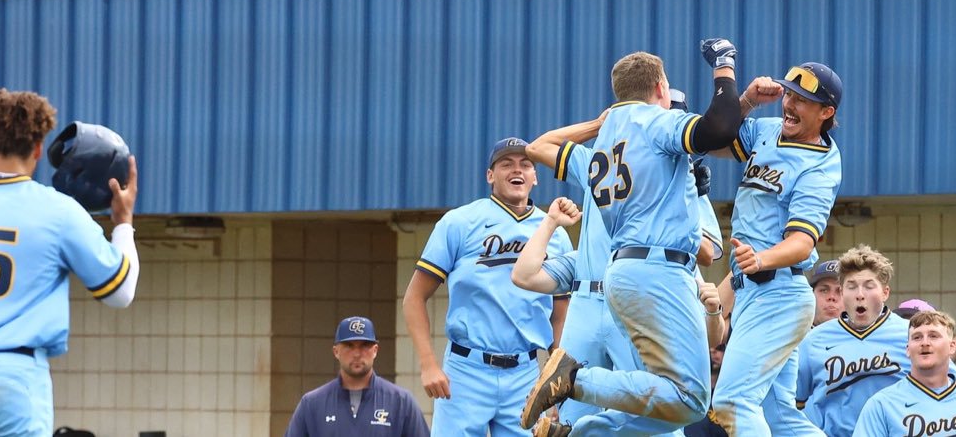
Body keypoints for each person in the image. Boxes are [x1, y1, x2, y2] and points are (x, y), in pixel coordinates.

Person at [520, 41, 747, 435]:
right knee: (691, 398)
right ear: (660, 88)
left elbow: (539, 146)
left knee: (672, 403)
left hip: (623, 272)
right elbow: (720, 127)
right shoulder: (655, 121)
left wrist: (600, 123)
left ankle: (578, 430)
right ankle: (575, 379)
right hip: (659, 271)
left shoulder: (605, 143)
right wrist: (724, 65)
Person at [0, 89, 141, 435]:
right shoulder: (57, 211)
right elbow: (120, 292)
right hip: (11, 381)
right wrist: (123, 221)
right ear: (38, 149)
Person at [705, 59, 842, 436]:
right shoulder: (767, 129)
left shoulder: (821, 165)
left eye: (803, 100)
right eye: (790, 94)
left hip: (780, 291)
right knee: (780, 418)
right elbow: (712, 142)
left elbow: (802, 243)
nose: (790, 103)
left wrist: (761, 257)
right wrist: (746, 101)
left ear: (826, 113)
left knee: (732, 402)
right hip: (755, 293)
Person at [401, 137, 574, 436]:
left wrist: (557, 382)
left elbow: (561, 313)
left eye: (525, 164)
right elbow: (414, 298)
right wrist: (428, 364)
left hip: (525, 371)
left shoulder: (554, 231)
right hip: (466, 368)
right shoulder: (459, 221)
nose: (515, 170)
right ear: (490, 176)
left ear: (535, 177)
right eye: (506, 164)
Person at [796, 245, 956, 435]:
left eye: (869, 286)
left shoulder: (911, 335)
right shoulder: (813, 341)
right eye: (851, 286)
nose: (859, 294)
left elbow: (949, 390)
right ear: (842, 292)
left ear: (885, 293)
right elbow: (792, 404)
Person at [286, 317, 430, 436]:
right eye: (349, 346)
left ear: (375, 351)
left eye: (364, 345)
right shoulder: (312, 403)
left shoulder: (400, 401)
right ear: (336, 351)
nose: (356, 353)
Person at [852, 311, 956, 437]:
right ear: (908, 349)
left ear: (952, 346)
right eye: (917, 337)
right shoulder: (881, 405)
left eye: (933, 336)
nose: (925, 343)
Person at [809, 260, 844, 326]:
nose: (831, 297)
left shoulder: (863, 335)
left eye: (840, 291)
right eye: (824, 290)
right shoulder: (792, 333)